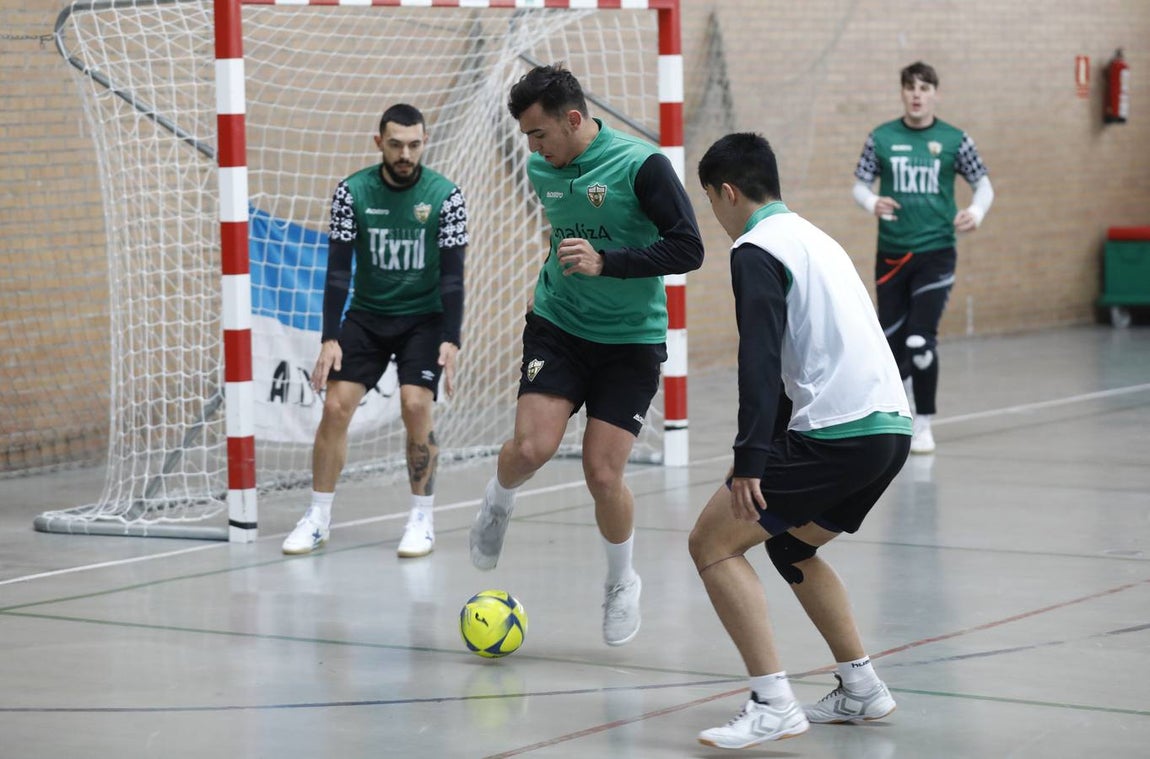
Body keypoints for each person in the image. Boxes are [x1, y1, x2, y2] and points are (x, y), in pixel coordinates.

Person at [468, 64, 704, 646]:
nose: (532, 147)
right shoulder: (539, 168)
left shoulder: (641, 166)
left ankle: (622, 581)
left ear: (573, 119)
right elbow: (564, 229)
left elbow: (689, 248)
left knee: (603, 473)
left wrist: (607, 262)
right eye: (526, 136)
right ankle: (497, 502)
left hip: (630, 340)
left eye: (539, 133)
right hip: (560, 325)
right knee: (531, 449)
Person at [690, 132, 912, 749]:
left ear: (727, 193)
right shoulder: (817, 239)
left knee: (712, 543)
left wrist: (749, 459)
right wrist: (765, 447)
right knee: (790, 546)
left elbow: (759, 361)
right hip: (888, 430)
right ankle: (862, 688)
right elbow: (806, 358)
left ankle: (772, 704)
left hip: (838, 433)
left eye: (710, 201)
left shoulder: (755, 249)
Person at [282, 103, 468, 559]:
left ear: (425, 142)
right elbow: (337, 271)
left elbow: (453, 276)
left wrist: (451, 338)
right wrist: (330, 337)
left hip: (423, 319)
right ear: (379, 142)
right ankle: (318, 516)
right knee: (335, 407)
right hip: (367, 315)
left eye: (414, 145)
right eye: (396, 144)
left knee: (415, 404)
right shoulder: (352, 192)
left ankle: (421, 518)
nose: (405, 154)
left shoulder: (446, 197)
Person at [853, 61, 994, 454]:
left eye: (925, 88)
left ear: (936, 94)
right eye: (910, 87)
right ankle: (896, 416)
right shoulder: (881, 137)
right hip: (892, 253)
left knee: (919, 339)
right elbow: (860, 185)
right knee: (891, 344)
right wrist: (871, 202)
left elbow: (984, 185)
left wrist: (976, 212)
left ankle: (925, 422)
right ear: (902, 92)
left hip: (936, 252)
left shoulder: (954, 140)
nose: (917, 94)